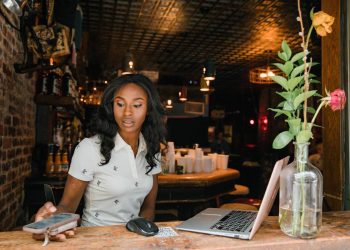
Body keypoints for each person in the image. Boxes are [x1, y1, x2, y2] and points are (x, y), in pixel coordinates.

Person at [34, 74, 167, 241]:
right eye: (120, 104)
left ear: (148, 110)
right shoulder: (89, 148)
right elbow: (67, 205)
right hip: (95, 241)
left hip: (134, 242)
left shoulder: (152, 150)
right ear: (111, 107)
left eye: (137, 105)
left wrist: (139, 240)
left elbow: (148, 208)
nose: (127, 112)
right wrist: (50, 220)